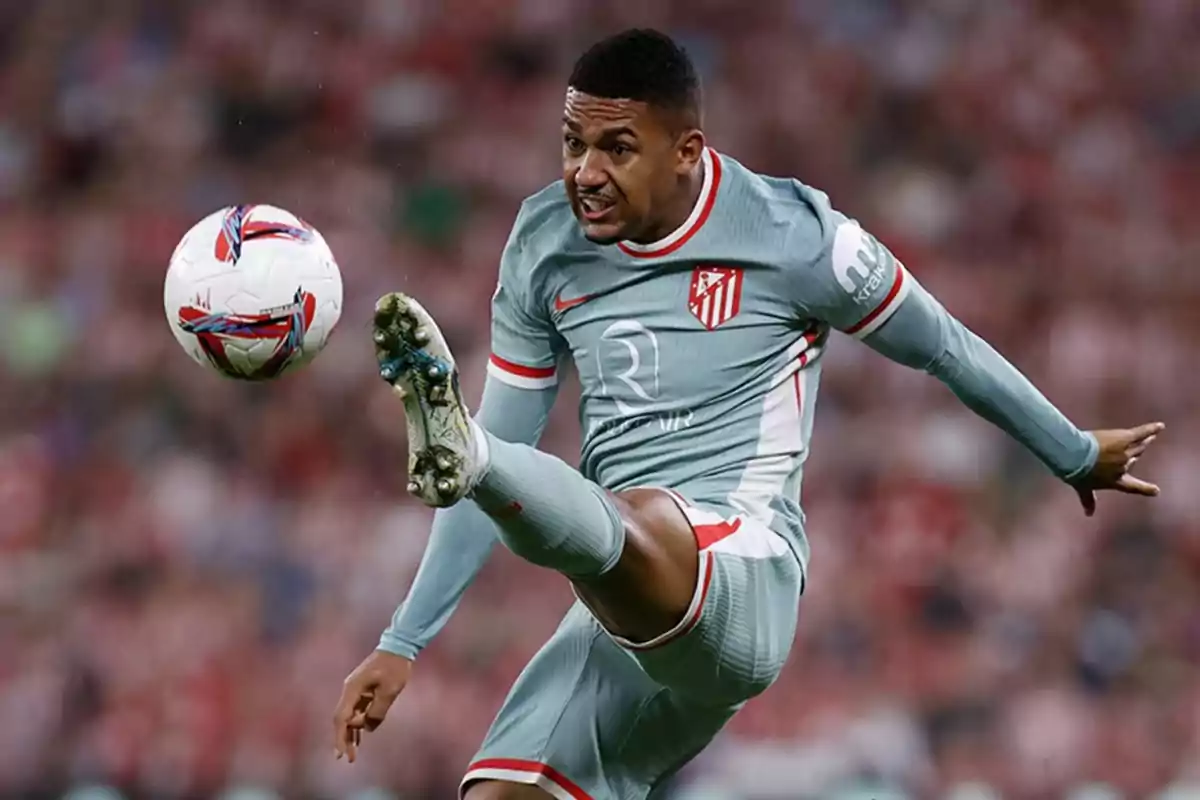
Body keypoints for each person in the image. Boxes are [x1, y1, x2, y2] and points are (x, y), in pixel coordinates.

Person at [332, 28, 1164, 800]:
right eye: (573, 143)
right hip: (619, 610)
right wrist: (404, 640)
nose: (585, 170)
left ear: (687, 151)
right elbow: (503, 441)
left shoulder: (795, 235)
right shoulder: (544, 242)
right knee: (500, 794)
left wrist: (1072, 450)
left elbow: (944, 346)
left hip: (744, 573)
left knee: (622, 512)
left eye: (617, 147)